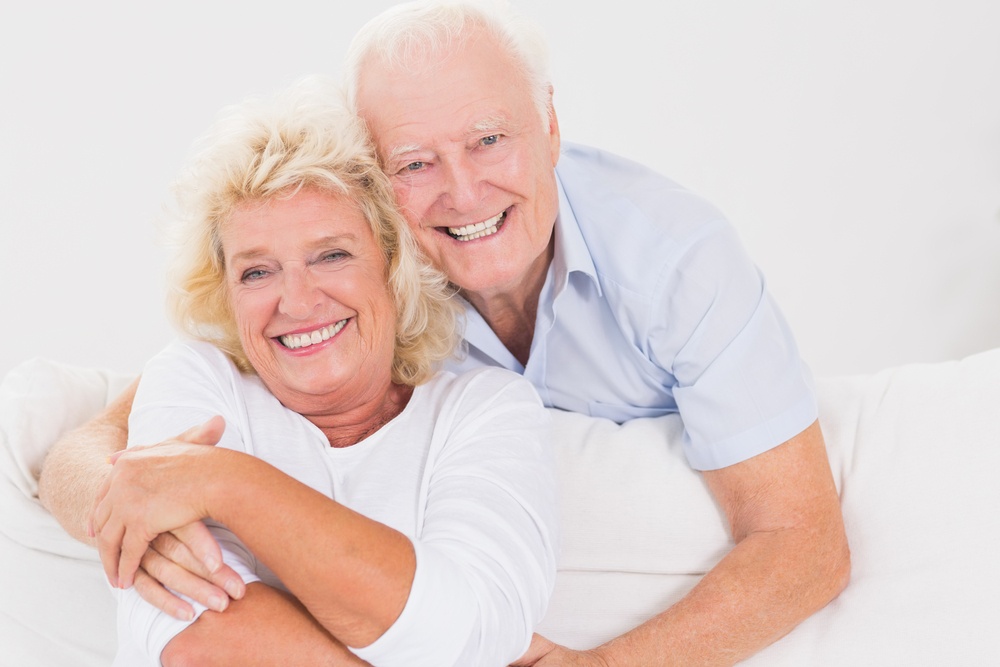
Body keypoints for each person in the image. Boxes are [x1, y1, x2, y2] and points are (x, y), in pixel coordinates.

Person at [40, 1, 850, 665]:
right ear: (376, 182)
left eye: (490, 139)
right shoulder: (348, 285)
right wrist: (127, 508)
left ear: (550, 124)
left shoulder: (675, 262)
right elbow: (112, 441)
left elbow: (804, 544)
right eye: (415, 161)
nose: (463, 193)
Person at [91, 78, 559, 666]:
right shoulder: (197, 381)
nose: (298, 301)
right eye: (257, 272)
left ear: (393, 265)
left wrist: (226, 483)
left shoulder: (488, 409)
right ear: (225, 293)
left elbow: (471, 632)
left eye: (331, 255)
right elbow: (193, 635)